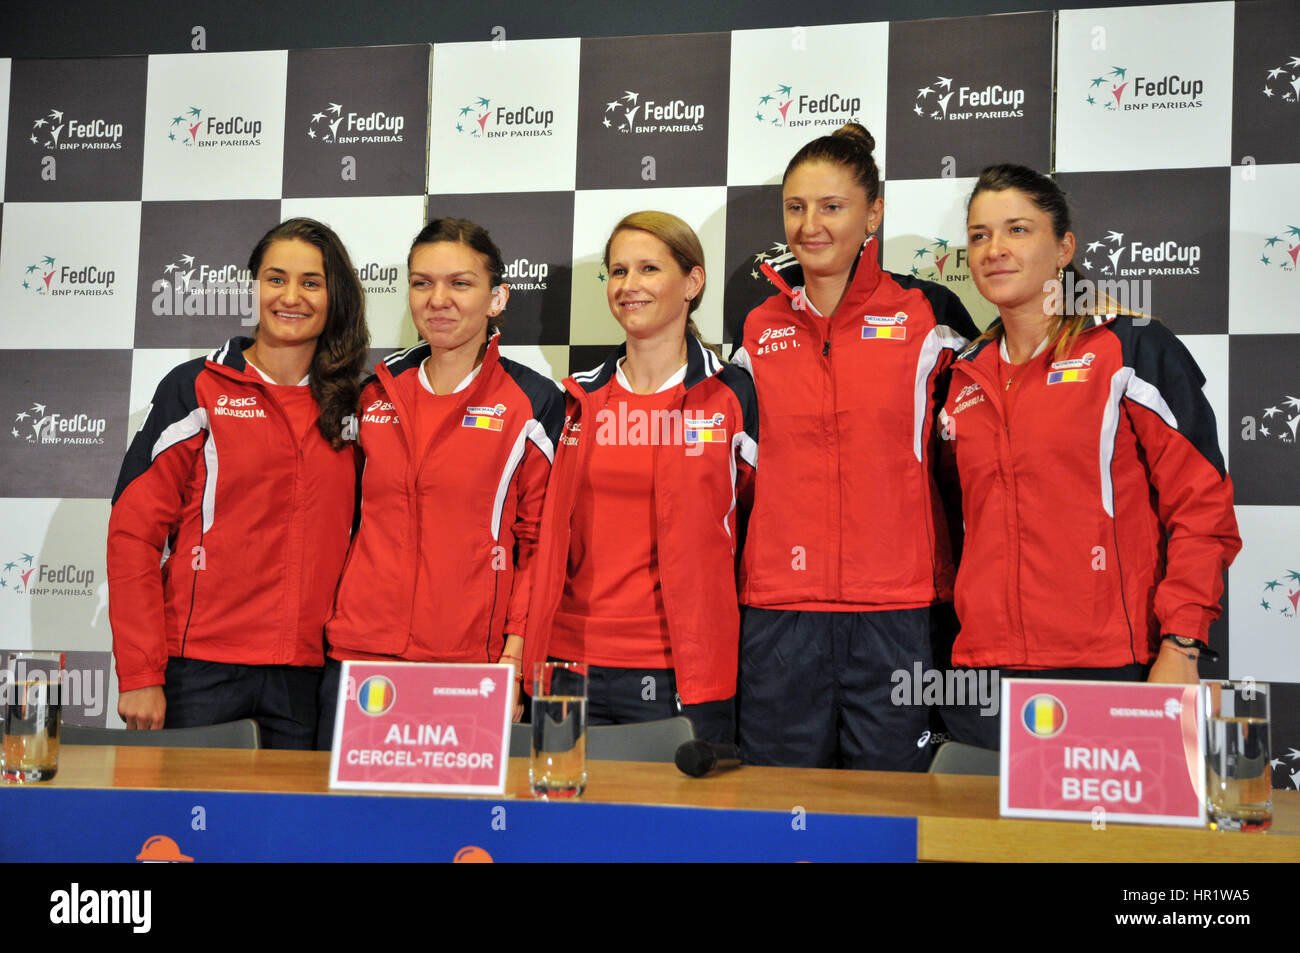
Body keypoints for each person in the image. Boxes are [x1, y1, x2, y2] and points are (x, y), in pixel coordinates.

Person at [937, 164, 1241, 749]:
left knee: (1108, 844)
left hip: (1111, 666)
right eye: (979, 235)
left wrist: (1181, 646)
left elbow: (1202, 508)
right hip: (983, 674)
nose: (994, 249)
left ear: (1064, 248)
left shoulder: (1130, 348)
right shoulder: (960, 375)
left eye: (1017, 230)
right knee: (983, 845)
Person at [730, 124, 979, 770]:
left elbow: (987, 449)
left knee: (888, 817)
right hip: (780, 614)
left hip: (896, 614)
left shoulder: (931, 313)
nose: (810, 225)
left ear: (874, 212)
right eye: (795, 207)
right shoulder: (757, 326)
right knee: (775, 815)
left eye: (831, 207)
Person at [108, 217, 369, 748]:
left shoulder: (359, 406)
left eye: (311, 282)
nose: (290, 296)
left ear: (334, 295)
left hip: (309, 677)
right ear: (254, 286)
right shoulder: (197, 387)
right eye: (276, 279)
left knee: (292, 833)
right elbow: (133, 534)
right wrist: (140, 673)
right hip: (199, 670)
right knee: (185, 832)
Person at [318, 218, 564, 748]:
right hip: (360, 659)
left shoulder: (532, 400)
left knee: (456, 830)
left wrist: (514, 660)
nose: (438, 300)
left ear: (497, 297)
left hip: (467, 667)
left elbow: (539, 546)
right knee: (347, 828)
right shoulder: (373, 393)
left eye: (460, 283)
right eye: (422, 282)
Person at [522, 211, 758, 744]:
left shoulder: (732, 395)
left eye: (649, 269)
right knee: (562, 824)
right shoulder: (575, 401)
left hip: (683, 670)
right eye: (619, 271)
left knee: (680, 828)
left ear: (692, 282)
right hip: (568, 664)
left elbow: (759, 530)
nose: (629, 286)